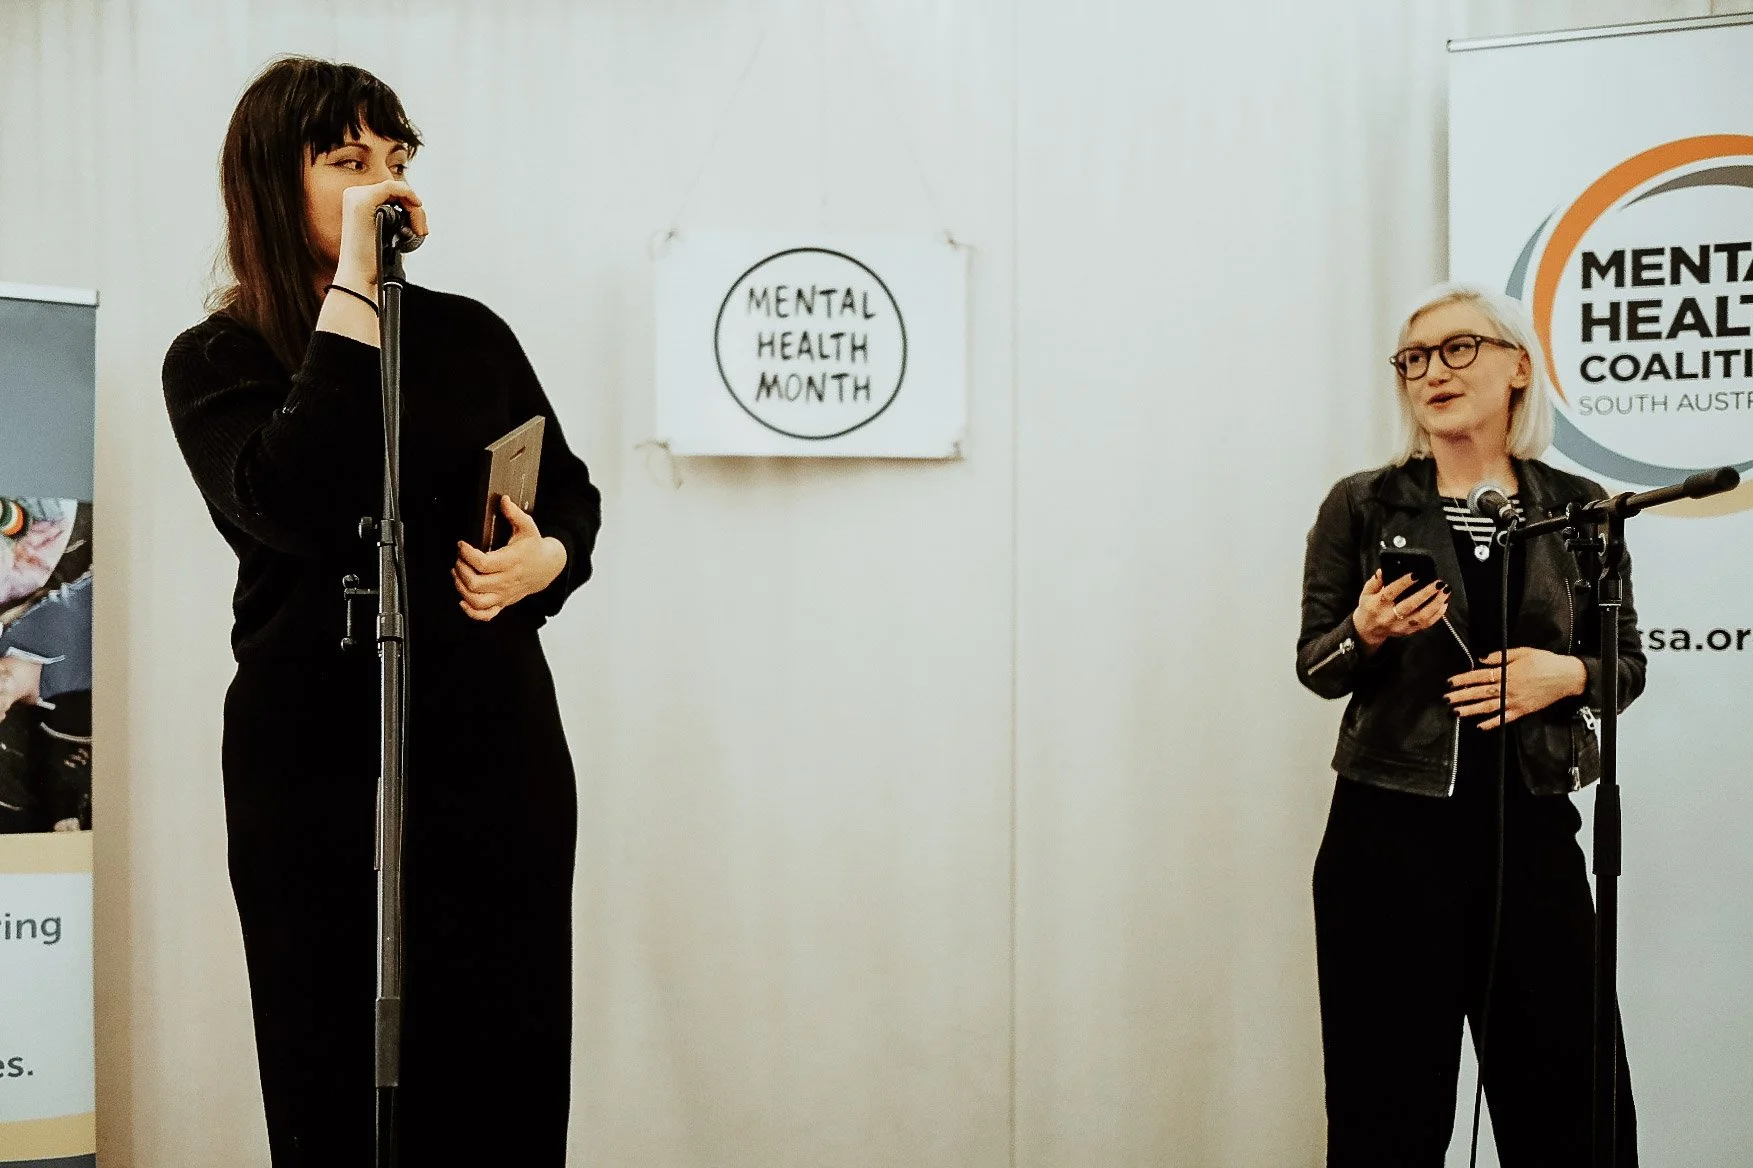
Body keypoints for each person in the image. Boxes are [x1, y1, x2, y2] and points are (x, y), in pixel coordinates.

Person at [162, 57, 601, 1166]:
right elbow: (291, 500)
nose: (384, 185)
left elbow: (572, 494)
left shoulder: (469, 334)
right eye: (349, 161)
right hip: (312, 753)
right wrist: (352, 291)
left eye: (394, 160)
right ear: (272, 176)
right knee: (332, 1054)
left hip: (491, 741)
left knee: (502, 1053)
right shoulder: (217, 357)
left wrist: (544, 559)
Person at [1295, 283, 1644, 1165]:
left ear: (1517, 368)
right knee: (1388, 1113)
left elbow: (1625, 666)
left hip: (1531, 834)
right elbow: (1315, 667)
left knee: (1573, 1112)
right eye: (1413, 358)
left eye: (1458, 349)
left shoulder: (1581, 508)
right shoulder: (1364, 504)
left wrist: (1564, 674)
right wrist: (1365, 635)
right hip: (1386, 843)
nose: (1431, 373)